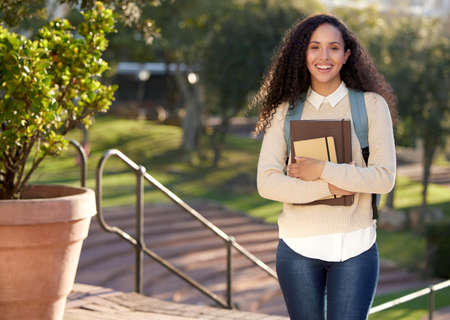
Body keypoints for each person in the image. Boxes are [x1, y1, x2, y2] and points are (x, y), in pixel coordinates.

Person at [253, 13, 397, 320]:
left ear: (346, 55)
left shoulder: (371, 106)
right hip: (298, 250)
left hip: (356, 249)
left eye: (333, 47)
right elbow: (267, 182)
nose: (324, 56)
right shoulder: (285, 112)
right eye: (314, 47)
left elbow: (384, 178)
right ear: (302, 53)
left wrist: (322, 168)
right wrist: (330, 187)